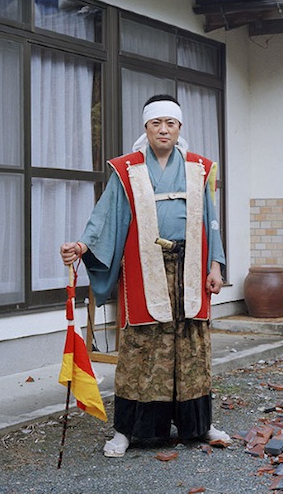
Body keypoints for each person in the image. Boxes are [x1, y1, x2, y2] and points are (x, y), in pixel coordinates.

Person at [60, 94, 227, 458]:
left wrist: (216, 265)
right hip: (144, 268)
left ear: (179, 128)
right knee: (142, 346)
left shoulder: (199, 168)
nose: (163, 129)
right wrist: (83, 246)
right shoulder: (127, 169)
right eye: (156, 123)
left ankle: (199, 425)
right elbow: (105, 217)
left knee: (193, 346)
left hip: (192, 269)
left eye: (170, 123)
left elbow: (210, 220)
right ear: (146, 128)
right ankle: (127, 430)